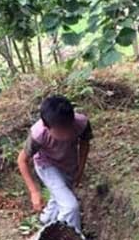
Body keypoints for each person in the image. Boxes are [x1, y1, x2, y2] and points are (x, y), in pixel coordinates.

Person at [17, 95, 92, 232]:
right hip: (46, 165)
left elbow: (85, 144)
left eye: (68, 128)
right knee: (70, 207)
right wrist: (34, 191)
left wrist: (80, 169)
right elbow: (22, 160)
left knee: (61, 197)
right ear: (47, 126)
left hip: (69, 164)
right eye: (60, 131)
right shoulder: (38, 135)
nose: (66, 135)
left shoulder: (81, 124)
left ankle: (46, 220)